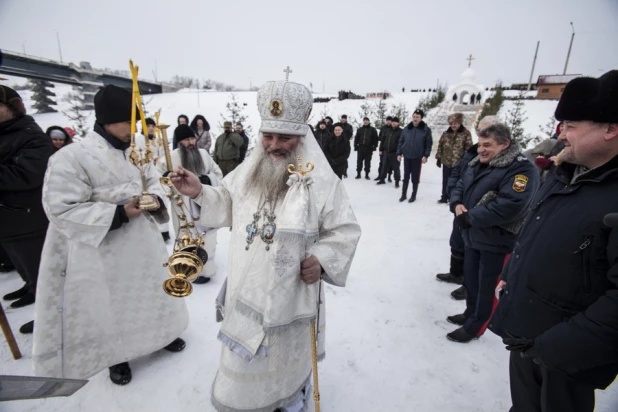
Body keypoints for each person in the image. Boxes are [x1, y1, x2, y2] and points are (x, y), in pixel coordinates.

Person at [169, 80, 361, 412]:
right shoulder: (249, 169)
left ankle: (289, 396)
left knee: (287, 356)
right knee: (245, 364)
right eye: (267, 136)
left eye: (284, 137)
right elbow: (227, 201)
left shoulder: (324, 182)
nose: (273, 145)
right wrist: (199, 191)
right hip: (246, 283)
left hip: (292, 291)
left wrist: (321, 258)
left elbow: (345, 230)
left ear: (301, 136)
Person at [32, 84, 189, 386]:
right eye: (129, 123)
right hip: (106, 251)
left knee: (155, 291)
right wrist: (117, 213)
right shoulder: (72, 157)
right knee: (113, 304)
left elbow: (156, 181)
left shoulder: (138, 150)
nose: (135, 130)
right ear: (106, 121)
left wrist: (155, 197)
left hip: (144, 243)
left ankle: (164, 334)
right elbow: (60, 209)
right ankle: (117, 357)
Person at [489, 70, 618, 412]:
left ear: (611, 129)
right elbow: (537, 231)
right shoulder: (565, 173)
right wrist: (511, 276)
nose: (560, 134)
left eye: (571, 125)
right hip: (528, 335)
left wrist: (556, 347)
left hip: (567, 354)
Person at [446, 123, 539, 343]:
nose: (481, 150)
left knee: (487, 288)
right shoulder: (479, 162)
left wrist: (469, 218)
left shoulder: (522, 169)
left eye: (487, 145)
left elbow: (512, 205)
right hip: (472, 235)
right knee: (472, 282)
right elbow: (460, 183)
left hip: (497, 240)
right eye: (480, 144)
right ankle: (470, 314)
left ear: (505, 144)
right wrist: (457, 203)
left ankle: (476, 327)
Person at [0, 85, 53, 336]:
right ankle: (30, 287)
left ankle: (50, 316)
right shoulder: (6, 134)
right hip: (9, 219)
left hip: (29, 220)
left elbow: (27, 175)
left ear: (12, 109)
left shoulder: (30, 134)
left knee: (44, 273)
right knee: (22, 265)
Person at [436, 115, 500, 301]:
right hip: (462, 209)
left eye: (486, 130)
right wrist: (454, 198)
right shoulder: (473, 152)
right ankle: (455, 274)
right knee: (457, 242)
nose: (482, 134)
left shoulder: (503, 160)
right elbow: (458, 173)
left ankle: (469, 285)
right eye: (480, 129)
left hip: (481, 216)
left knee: (474, 251)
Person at [157, 124, 223, 284]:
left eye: (192, 138)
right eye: (187, 139)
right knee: (186, 235)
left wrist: (207, 179)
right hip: (182, 204)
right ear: (180, 142)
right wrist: (167, 179)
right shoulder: (170, 158)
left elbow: (217, 172)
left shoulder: (204, 154)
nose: (191, 142)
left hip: (205, 199)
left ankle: (206, 269)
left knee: (208, 235)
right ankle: (187, 266)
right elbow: (158, 179)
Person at [435, 113, 473, 204]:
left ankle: (454, 198)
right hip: (446, 162)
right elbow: (440, 145)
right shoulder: (446, 133)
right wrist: (439, 158)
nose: (453, 125)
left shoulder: (466, 134)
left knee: (456, 182)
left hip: (458, 163)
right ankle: (444, 196)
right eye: (451, 123)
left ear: (460, 123)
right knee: (445, 180)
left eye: (455, 123)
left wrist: (466, 162)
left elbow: (469, 149)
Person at [397, 109, 432, 203]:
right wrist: (399, 153)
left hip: (417, 157)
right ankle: (403, 194)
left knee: (415, 178)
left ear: (421, 118)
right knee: (406, 176)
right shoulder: (406, 129)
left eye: (417, 117)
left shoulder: (425, 130)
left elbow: (428, 144)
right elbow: (401, 142)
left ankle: (413, 195)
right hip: (407, 156)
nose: (415, 119)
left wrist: (426, 156)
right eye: (414, 117)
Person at [376, 117, 403, 187]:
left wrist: (400, 153)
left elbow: (403, 143)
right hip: (386, 152)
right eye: (393, 122)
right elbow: (383, 141)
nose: (394, 123)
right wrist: (381, 150)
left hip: (395, 153)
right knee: (384, 166)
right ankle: (382, 179)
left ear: (398, 123)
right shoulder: (387, 130)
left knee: (396, 168)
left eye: (395, 122)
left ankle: (397, 181)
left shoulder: (401, 132)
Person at [375, 116, 393, 182]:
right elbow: (379, 137)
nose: (388, 121)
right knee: (381, 163)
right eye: (387, 120)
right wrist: (382, 138)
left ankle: (389, 176)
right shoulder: (383, 128)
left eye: (390, 120)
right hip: (383, 147)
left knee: (390, 164)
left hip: (391, 149)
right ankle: (380, 175)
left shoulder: (393, 128)